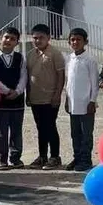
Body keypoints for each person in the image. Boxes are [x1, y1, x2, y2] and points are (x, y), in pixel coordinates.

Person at [27, 23, 66, 169]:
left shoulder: (55, 53)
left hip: (50, 99)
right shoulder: (30, 54)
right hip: (35, 98)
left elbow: (61, 75)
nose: (38, 41)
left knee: (50, 127)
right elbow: (28, 76)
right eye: (35, 38)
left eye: (41, 38)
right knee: (40, 128)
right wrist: (28, 95)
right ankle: (42, 156)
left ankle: (55, 156)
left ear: (48, 38)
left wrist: (57, 95)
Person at [0, 26, 26, 169]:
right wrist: (6, 91)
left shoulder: (20, 58)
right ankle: (2, 159)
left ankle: (16, 158)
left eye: (12, 39)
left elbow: (24, 76)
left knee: (16, 131)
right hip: (1, 102)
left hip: (17, 101)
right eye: (6, 37)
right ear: (1, 38)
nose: (8, 41)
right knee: (1, 132)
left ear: (17, 42)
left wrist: (17, 91)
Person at [65, 28, 99, 172]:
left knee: (86, 134)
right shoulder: (69, 58)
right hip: (73, 104)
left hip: (86, 104)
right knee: (75, 133)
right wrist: (67, 99)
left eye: (79, 39)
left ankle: (85, 160)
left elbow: (95, 82)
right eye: (72, 39)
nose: (75, 42)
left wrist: (92, 101)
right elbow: (68, 82)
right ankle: (77, 157)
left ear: (85, 42)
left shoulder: (89, 60)